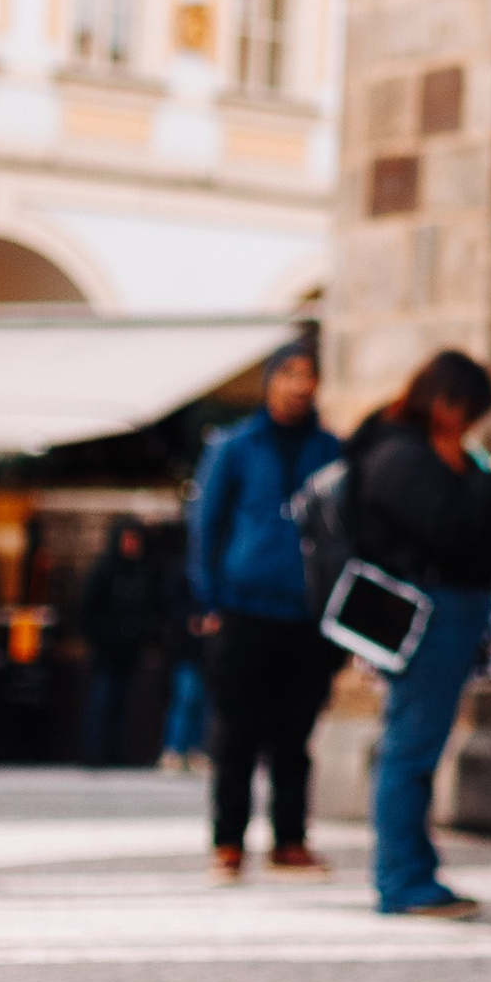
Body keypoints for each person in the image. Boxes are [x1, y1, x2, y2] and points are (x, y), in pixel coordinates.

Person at [353, 347, 491, 919]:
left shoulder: (437, 451)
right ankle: (402, 880)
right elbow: (450, 526)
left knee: (418, 747)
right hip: (427, 613)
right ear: (447, 402)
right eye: (471, 410)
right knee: (410, 749)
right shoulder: (397, 454)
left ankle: (415, 872)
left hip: (453, 608)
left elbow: (483, 518)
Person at [189, 330, 339, 877]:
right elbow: (206, 524)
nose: (300, 386)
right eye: (289, 374)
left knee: (295, 734)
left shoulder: (330, 450)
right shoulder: (234, 447)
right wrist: (208, 597)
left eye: (309, 376)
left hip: (308, 612)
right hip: (243, 608)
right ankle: (228, 842)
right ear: (270, 381)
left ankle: (289, 839)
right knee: (235, 732)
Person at [75, 514, 173, 766]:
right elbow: (87, 611)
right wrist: (104, 636)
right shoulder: (105, 570)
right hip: (106, 651)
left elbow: (150, 609)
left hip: (129, 651)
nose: (132, 544)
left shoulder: (142, 572)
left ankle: (115, 753)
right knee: (102, 701)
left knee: (122, 703)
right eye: (128, 539)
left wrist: (144, 636)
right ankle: (95, 753)